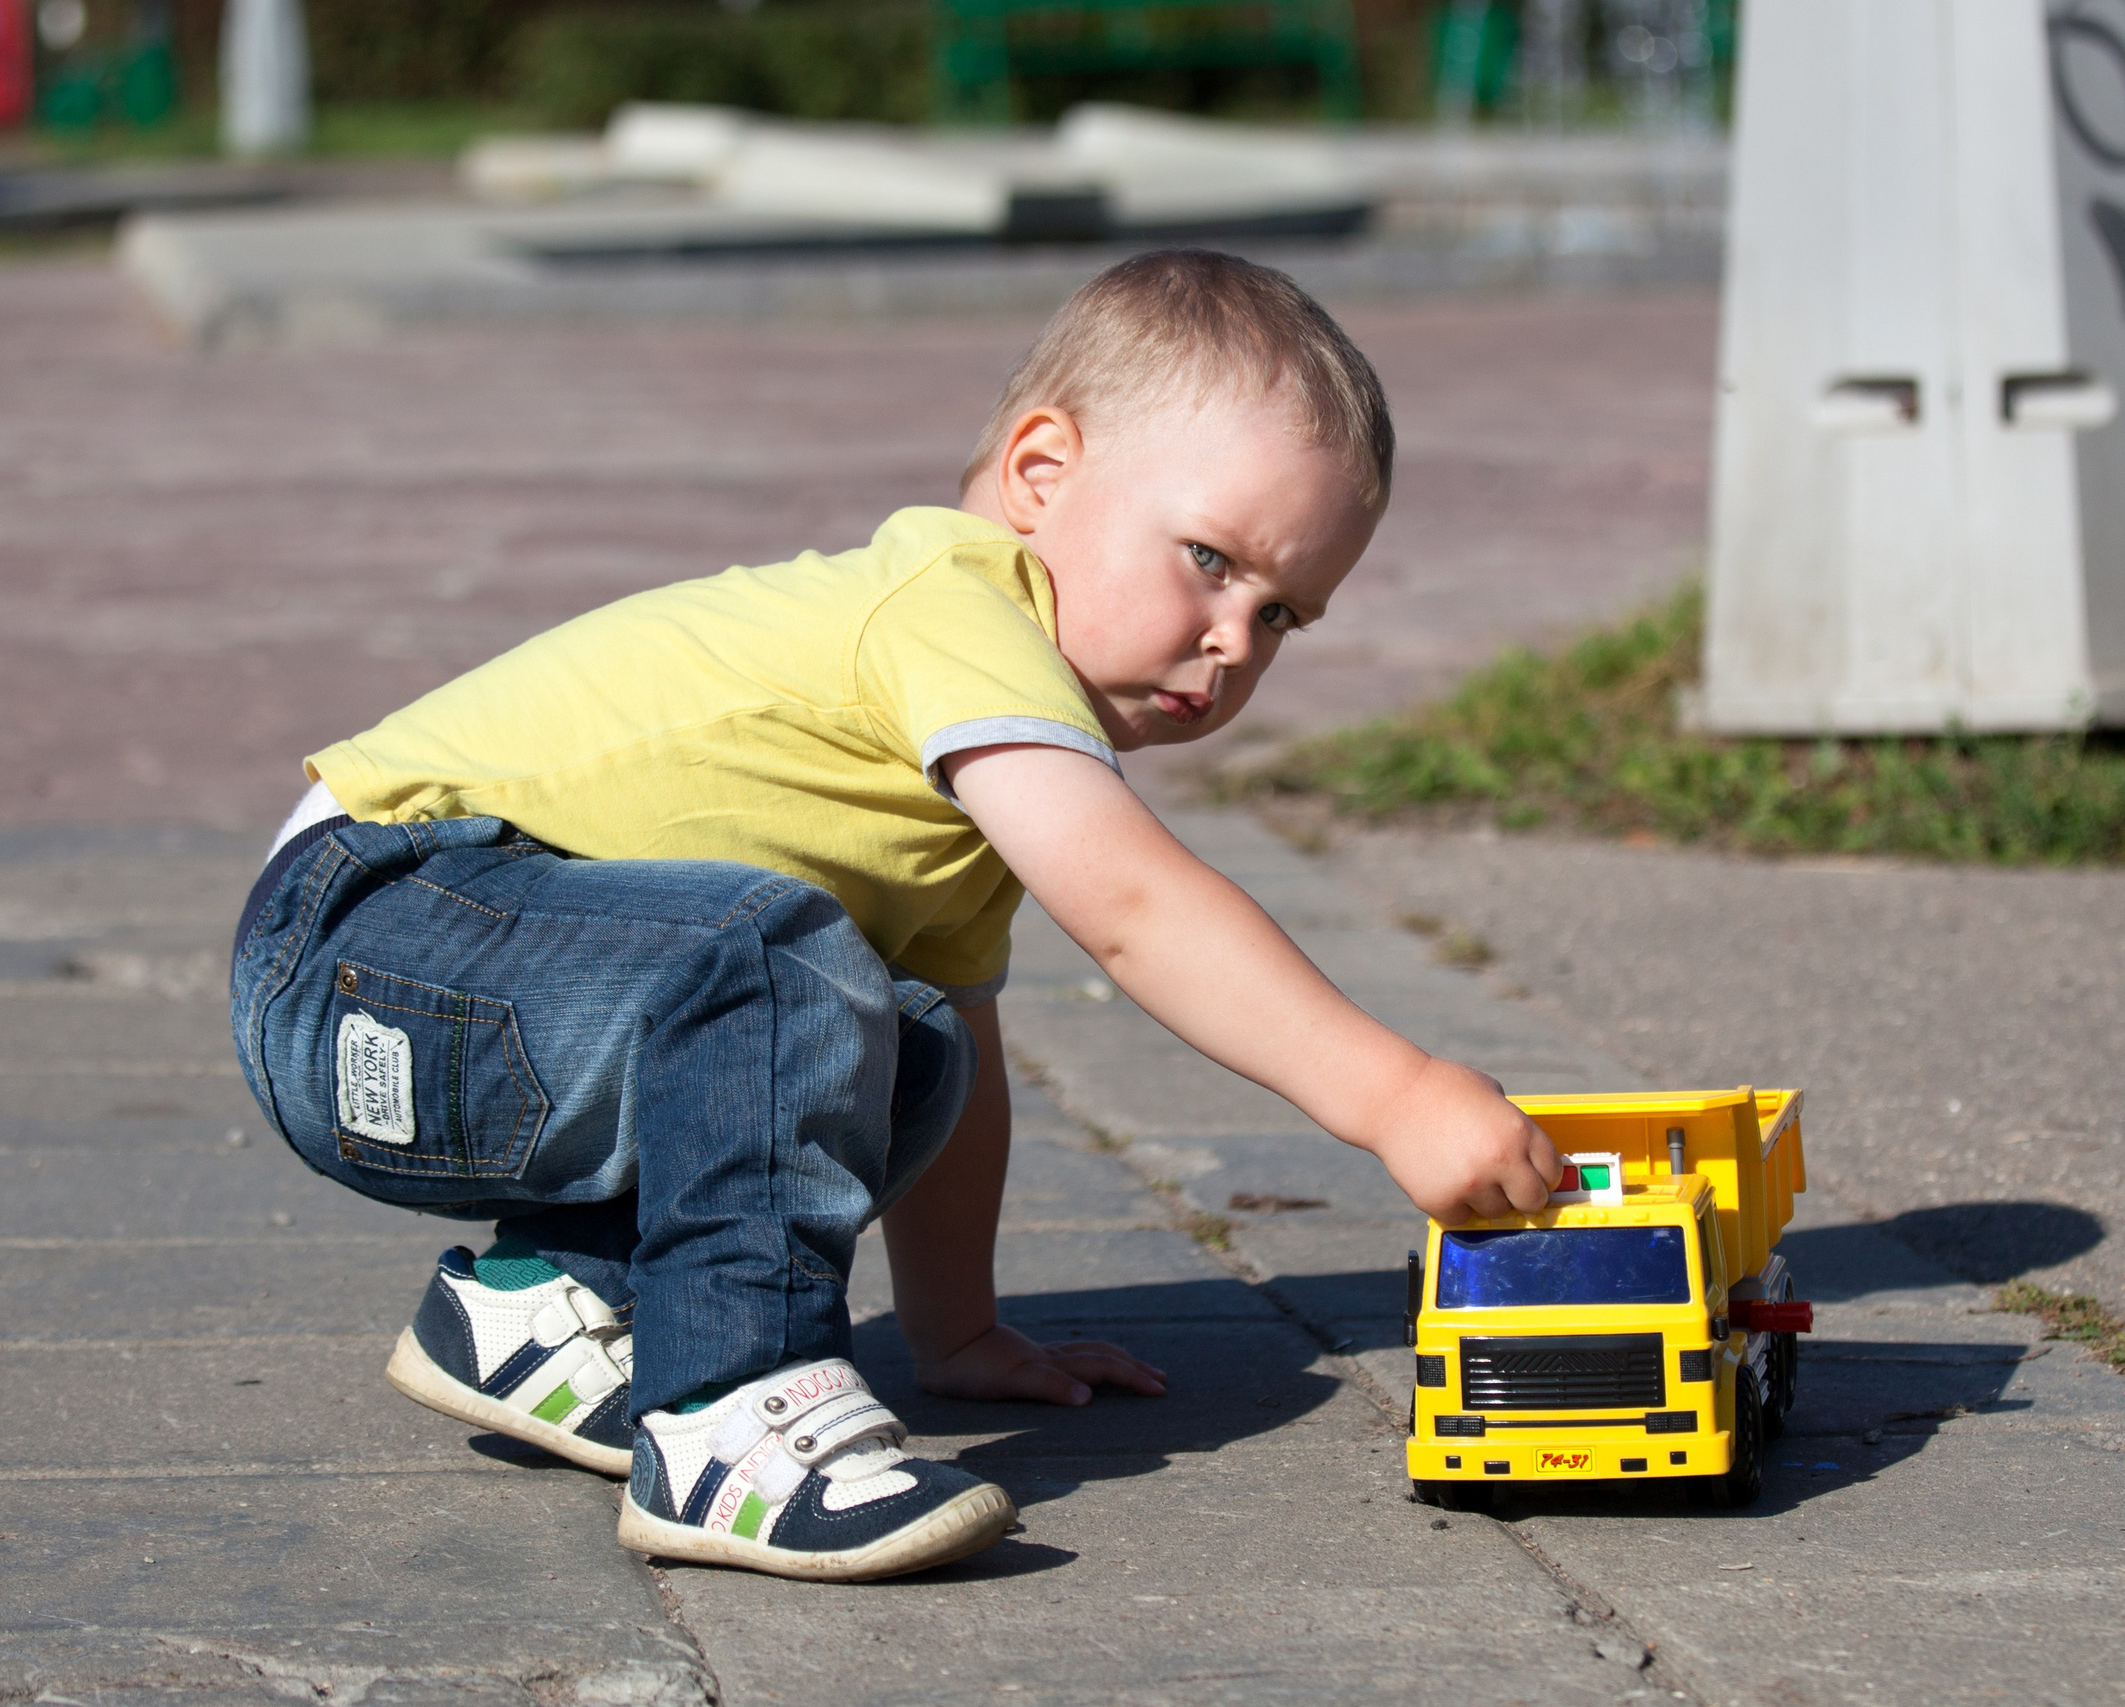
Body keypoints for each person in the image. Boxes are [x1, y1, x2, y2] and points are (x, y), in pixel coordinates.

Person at [228, 249, 1563, 1583]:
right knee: (778, 965)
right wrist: (1395, 1096)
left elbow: (964, 1069)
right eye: (1211, 561)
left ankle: (550, 1311)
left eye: (1283, 614)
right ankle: (723, 1419)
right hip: (370, 937)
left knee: (910, 1036)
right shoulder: (959, 605)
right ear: (1041, 475)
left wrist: (959, 1334)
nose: (1235, 640)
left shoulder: (969, 772)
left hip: (463, 992)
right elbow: (1135, 908)